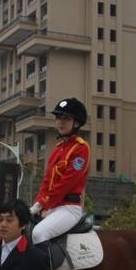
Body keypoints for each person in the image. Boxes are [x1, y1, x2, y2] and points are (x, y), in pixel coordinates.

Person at [30, 97, 91, 247]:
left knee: (39, 234)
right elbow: (47, 181)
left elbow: (67, 183)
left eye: (66, 118)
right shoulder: (58, 149)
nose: (60, 122)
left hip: (69, 208)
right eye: (58, 117)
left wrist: (46, 204)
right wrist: (37, 204)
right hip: (52, 206)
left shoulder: (81, 148)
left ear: (76, 122)